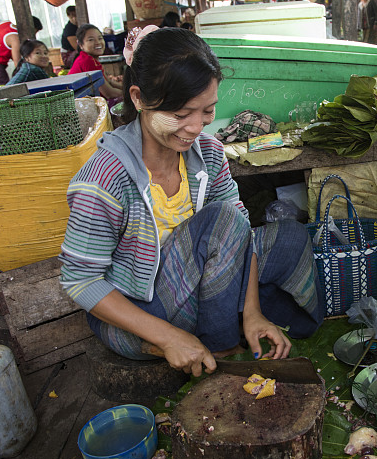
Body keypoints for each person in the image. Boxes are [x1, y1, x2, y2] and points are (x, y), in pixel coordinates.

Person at [59, 27, 324, 375]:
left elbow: (243, 234)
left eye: (208, 111)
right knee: (223, 221)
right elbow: (81, 280)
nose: (196, 127)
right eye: (182, 114)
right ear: (138, 99)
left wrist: (253, 310)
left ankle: (243, 321)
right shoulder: (105, 177)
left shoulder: (210, 154)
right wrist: (167, 337)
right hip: (145, 312)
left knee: (289, 236)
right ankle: (223, 349)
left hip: (203, 284)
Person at [70, 23, 124, 103]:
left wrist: (128, 88)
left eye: (100, 38)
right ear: (81, 45)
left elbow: (110, 82)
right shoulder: (86, 61)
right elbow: (109, 93)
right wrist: (130, 94)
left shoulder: (93, 60)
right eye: (91, 40)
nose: (98, 42)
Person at [0, 16, 43, 85]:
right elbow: (17, 63)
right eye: (34, 32)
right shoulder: (15, 39)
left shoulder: (5, 24)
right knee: (6, 87)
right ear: (30, 28)